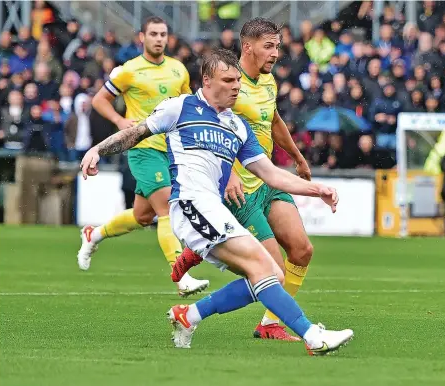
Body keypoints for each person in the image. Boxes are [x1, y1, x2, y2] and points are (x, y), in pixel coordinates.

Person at [79, 48, 354, 355]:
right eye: (228, 80)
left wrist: (317, 189)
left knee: (272, 274)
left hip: (213, 209)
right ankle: (312, 336)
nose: (236, 86)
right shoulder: (180, 107)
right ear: (206, 81)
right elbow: (137, 132)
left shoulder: (238, 126)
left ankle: (189, 315)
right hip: (190, 205)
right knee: (263, 269)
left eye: (238, 80)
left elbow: (271, 175)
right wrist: (97, 150)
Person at [172, 18, 315, 342]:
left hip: (266, 182)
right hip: (240, 192)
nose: (276, 53)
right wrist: (231, 172)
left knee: (302, 250)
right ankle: (195, 276)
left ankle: (270, 323)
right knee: (269, 273)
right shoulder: (228, 83)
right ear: (247, 47)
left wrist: (296, 156)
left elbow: (273, 119)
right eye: (269, 46)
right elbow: (209, 127)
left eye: (277, 46)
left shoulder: (267, 82)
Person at [77, 16, 209, 296]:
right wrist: (119, 120)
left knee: (142, 215)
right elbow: (99, 100)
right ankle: (181, 276)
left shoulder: (178, 70)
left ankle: (94, 234)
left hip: (171, 150)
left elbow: (186, 104)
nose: (159, 38)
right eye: (153, 34)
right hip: (143, 149)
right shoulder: (128, 71)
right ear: (142, 37)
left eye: (163, 34)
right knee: (167, 209)